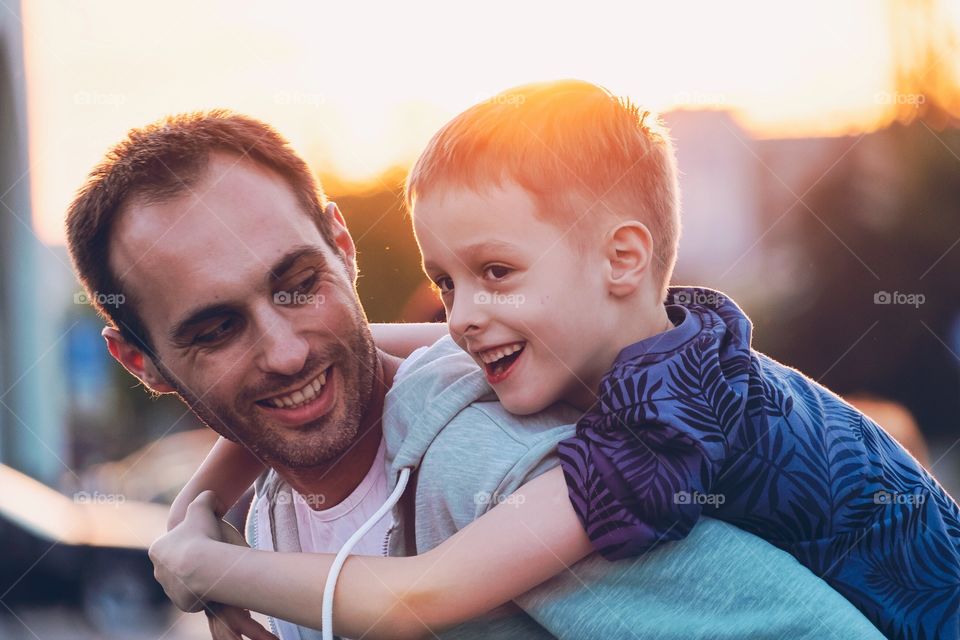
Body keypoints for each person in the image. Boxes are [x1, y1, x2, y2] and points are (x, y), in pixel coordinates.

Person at [164, 80, 958, 638]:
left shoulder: (663, 425)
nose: (464, 316)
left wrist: (206, 568)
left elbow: (420, 595)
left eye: (496, 273)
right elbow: (344, 356)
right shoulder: (671, 343)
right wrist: (193, 510)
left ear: (621, 259)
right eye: (447, 280)